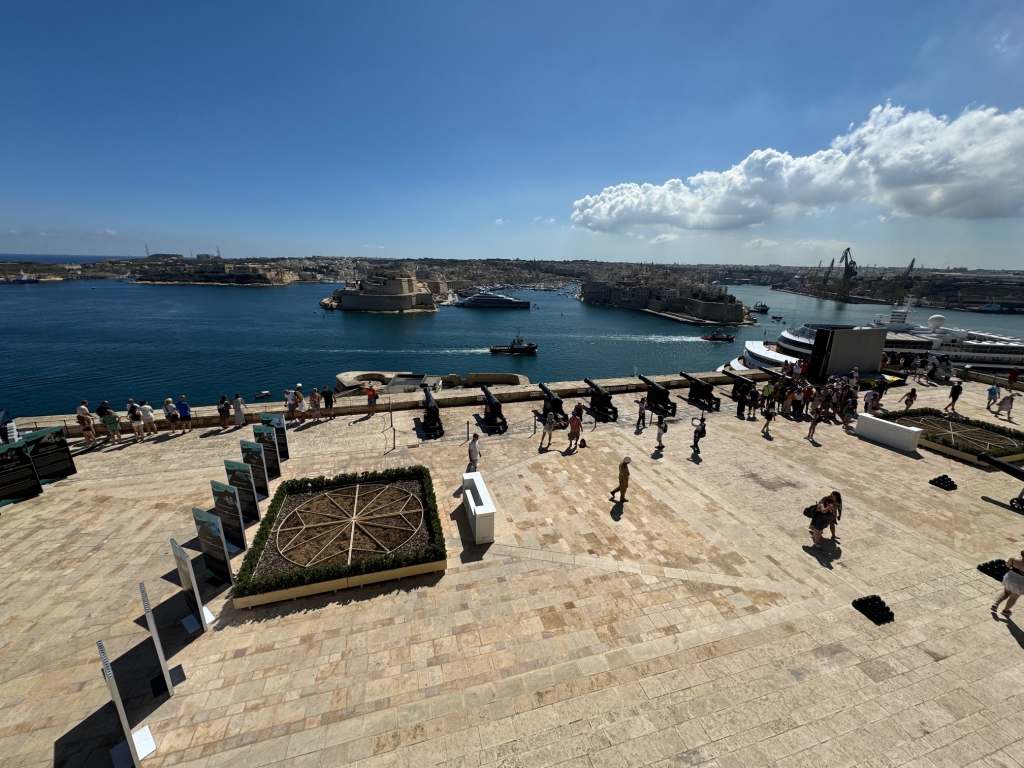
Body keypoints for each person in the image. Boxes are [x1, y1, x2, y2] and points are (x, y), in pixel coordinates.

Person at [992, 550, 1024, 617]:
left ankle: (996, 604)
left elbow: (1007, 565)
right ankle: (1005, 611)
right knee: (1014, 597)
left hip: (1010, 578)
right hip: (1021, 582)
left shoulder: (1013, 559)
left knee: (1006, 592)